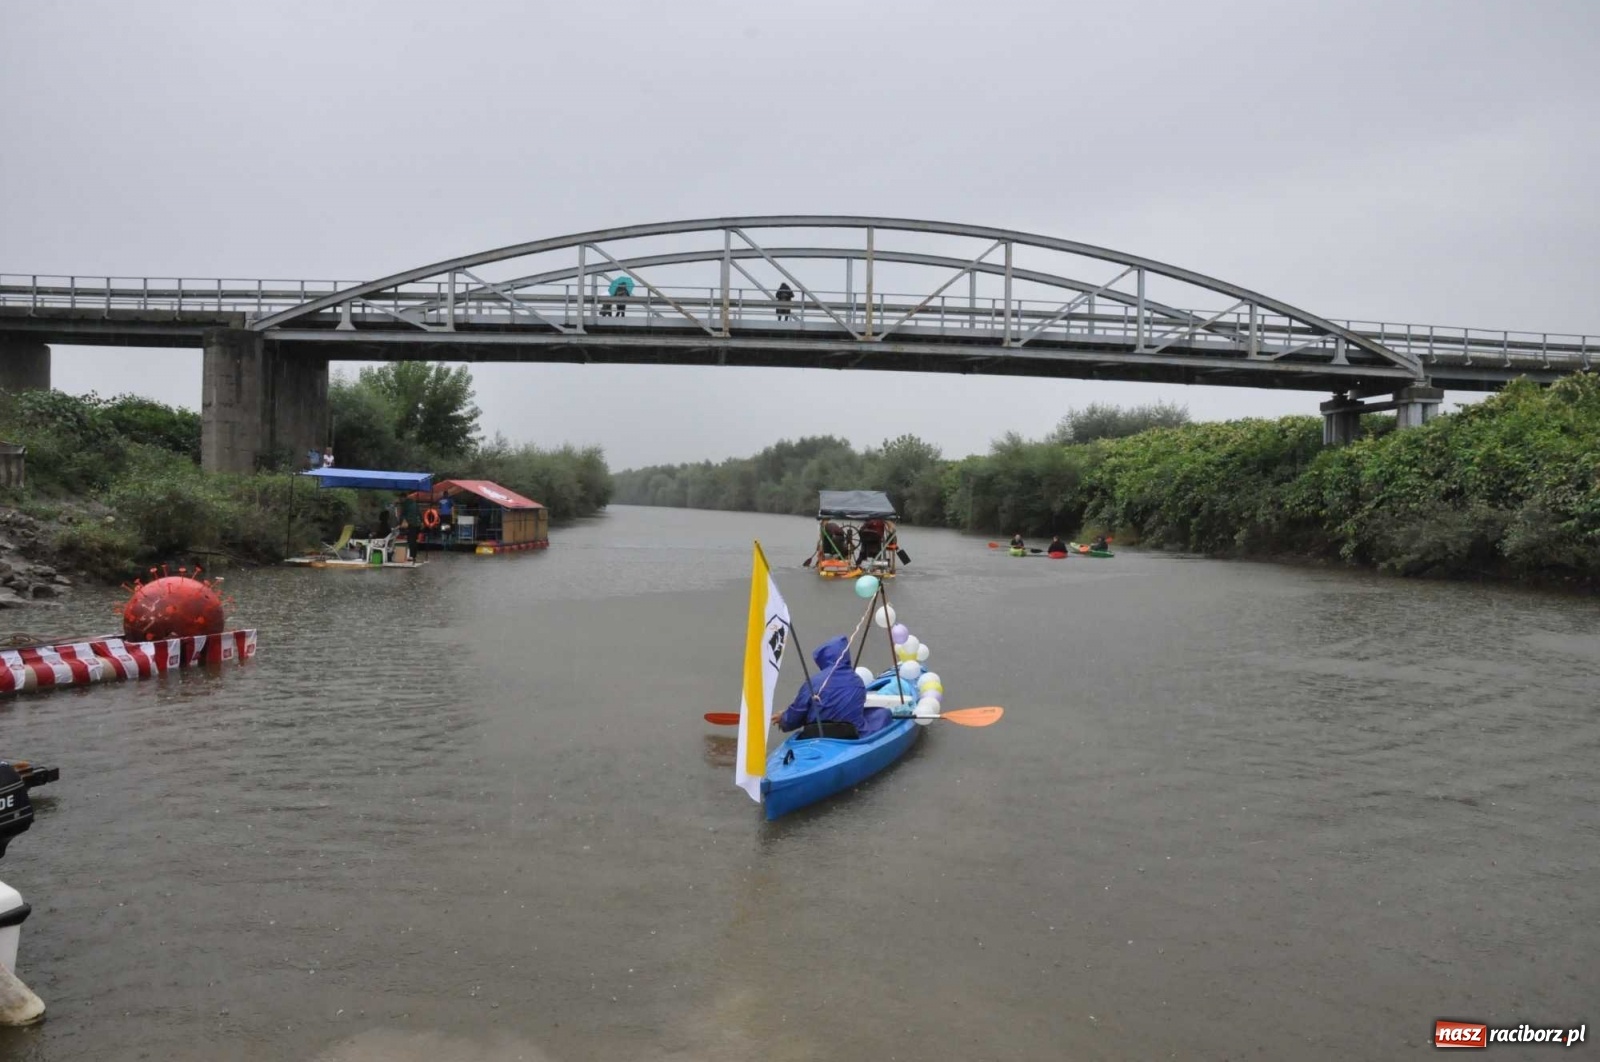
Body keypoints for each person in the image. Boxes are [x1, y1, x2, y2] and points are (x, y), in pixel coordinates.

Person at [775, 635, 890, 738]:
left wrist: (784, 719)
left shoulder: (813, 682)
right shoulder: (857, 681)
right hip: (851, 733)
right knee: (883, 713)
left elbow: (796, 714)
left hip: (816, 733)